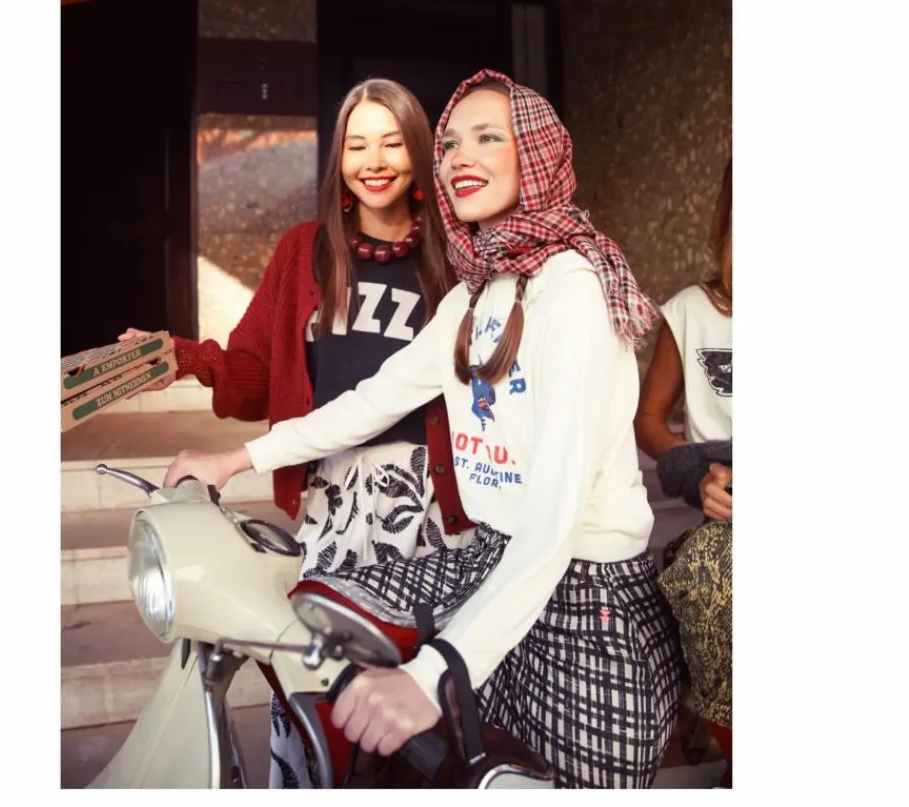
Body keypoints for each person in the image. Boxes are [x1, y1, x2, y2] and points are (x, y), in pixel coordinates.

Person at [164, 69, 684, 789]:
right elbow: (374, 400)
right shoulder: (477, 290)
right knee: (317, 613)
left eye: (488, 137)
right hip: (494, 561)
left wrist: (431, 674)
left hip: (585, 593)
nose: (461, 157)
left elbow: (553, 527)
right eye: (452, 144)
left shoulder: (574, 293)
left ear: (538, 155)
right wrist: (238, 458)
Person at [121, 78, 474, 788]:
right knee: (319, 681)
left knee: (421, 694)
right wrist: (185, 359)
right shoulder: (303, 252)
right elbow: (256, 377)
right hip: (332, 503)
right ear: (338, 157)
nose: (374, 161)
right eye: (357, 144)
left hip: (432, 508)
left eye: (392, 142)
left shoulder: (457, 254)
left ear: (420, 152)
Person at [634, 158, 733, 785]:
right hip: (723, 509)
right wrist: (695, 472)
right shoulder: (693, 311)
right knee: (705, 575)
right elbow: (648, 418)